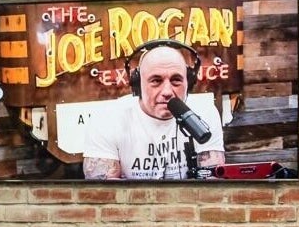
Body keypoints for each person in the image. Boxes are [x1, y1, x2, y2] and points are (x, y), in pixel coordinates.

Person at [80, 40, 224, 180]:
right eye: (156, 81)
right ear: (138, 85)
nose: (167, 91)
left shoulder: (203, 113)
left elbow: (212, 185)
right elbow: (103, 193)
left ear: (189, 83)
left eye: (176, 80)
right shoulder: (108, 119)